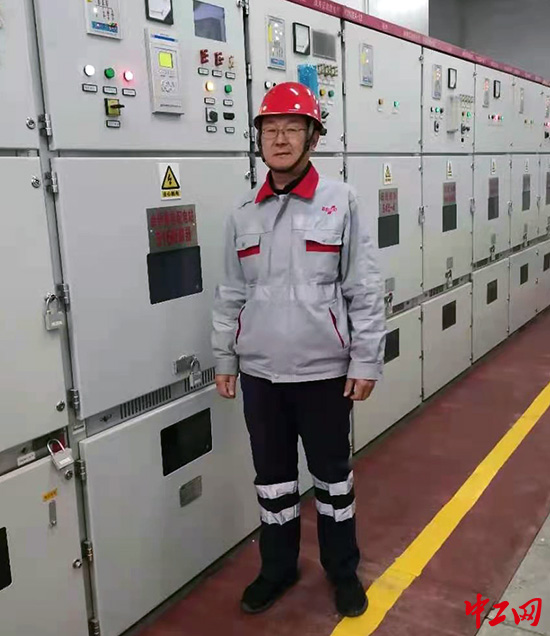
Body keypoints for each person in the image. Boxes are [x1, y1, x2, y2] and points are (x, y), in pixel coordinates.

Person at [211, 82, 386, 617]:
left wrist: (366, 359)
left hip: (323, 372)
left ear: (313, 137)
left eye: (292, 128)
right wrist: (225, 357)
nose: (280, 139)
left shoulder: (341, 201)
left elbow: (364, 287)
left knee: (333, 481)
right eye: (270, 129)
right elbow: (230, 292)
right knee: (273, 483)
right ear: (258, 139)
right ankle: (278, 569)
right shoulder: (244, 212)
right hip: (261, 376)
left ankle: (342, 571)